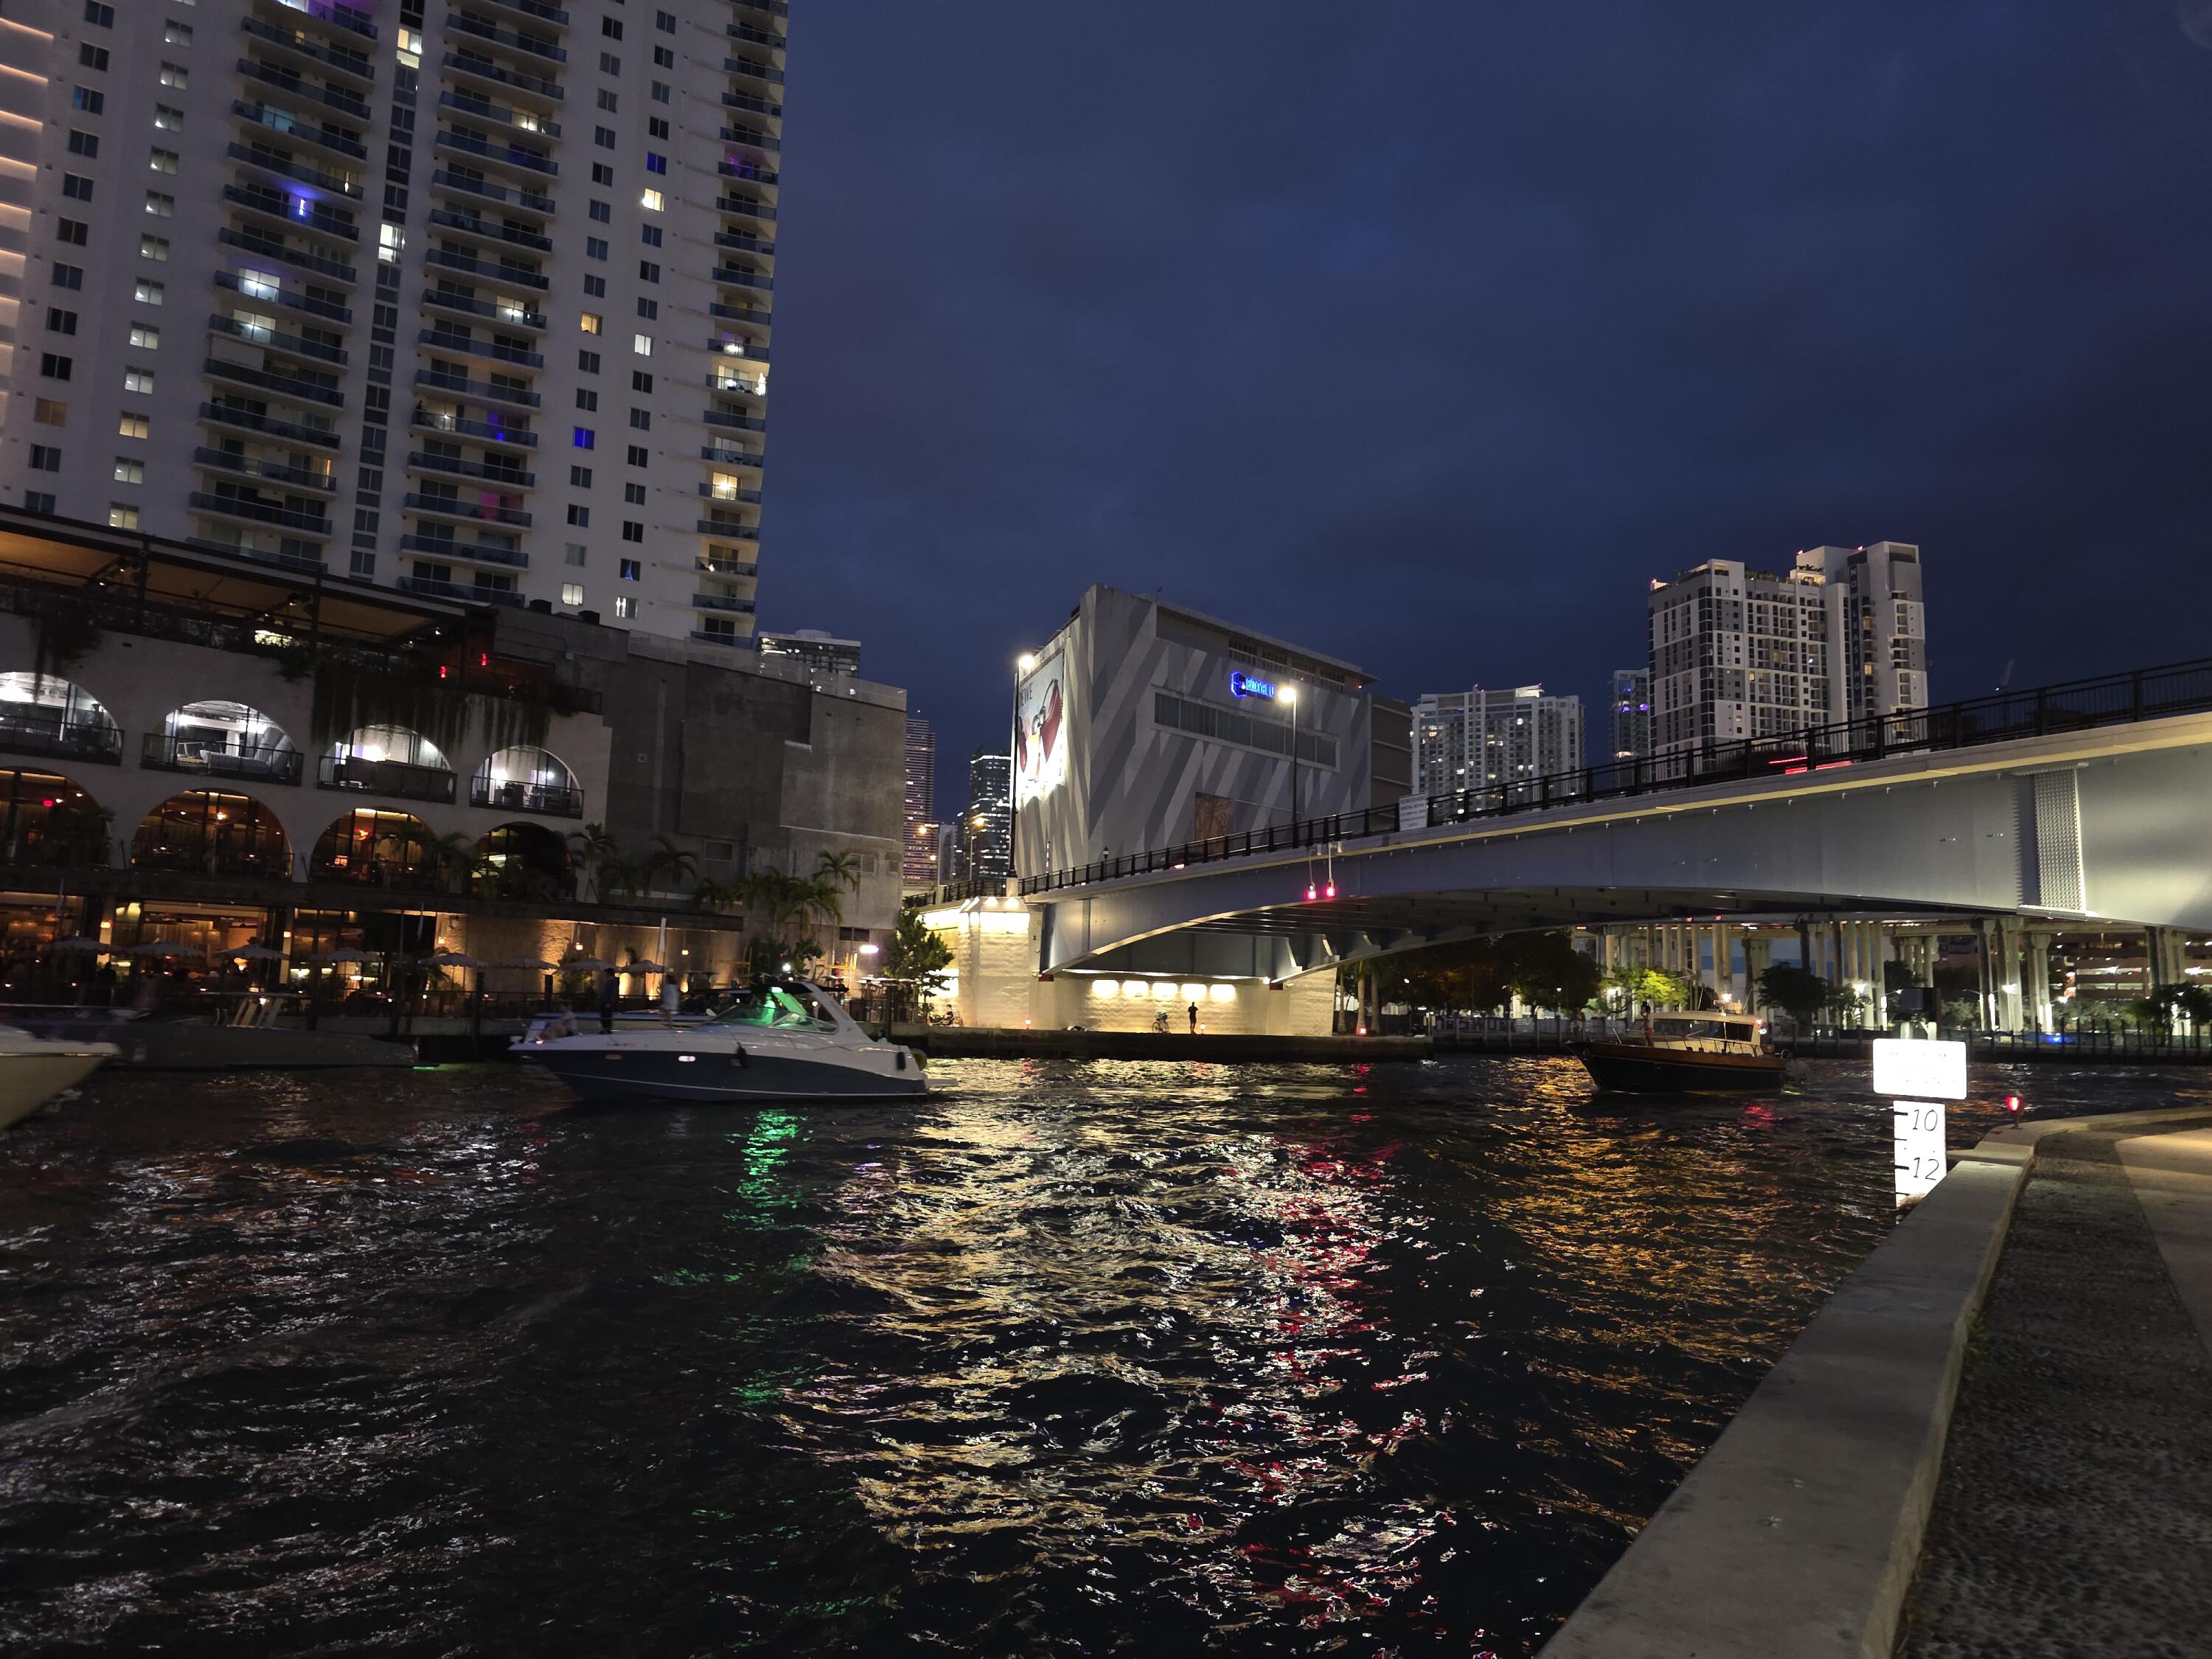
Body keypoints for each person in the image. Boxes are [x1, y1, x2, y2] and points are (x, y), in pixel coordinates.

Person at [597, 967, 619, 1034]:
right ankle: (605, 1029)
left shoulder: (612, 982)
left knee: (607, 1016)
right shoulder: (609, 981)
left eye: (606, 973)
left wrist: (609, 1002)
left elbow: (612, 993)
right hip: (605, 1001)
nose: (605, 974)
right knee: (604, 1016)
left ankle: (607, 1029)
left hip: (608, 1002)